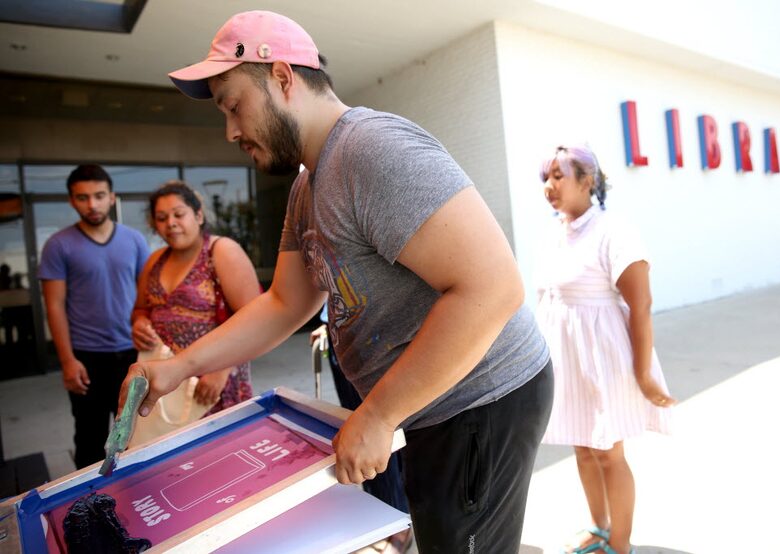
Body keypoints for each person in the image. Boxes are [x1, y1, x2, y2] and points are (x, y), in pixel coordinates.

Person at [121, 10, 552, 553]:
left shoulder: (373, 150)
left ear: (281, 77)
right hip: (431, 404)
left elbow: (493, 288)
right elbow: (283, 303)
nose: (231, 131)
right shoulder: (308, 187)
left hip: (480, 399)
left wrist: (378, 414)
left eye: (233, 106)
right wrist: (178, 367)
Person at [534, 145, 675, 554]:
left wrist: (644, 373)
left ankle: (620, 544)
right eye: (546, 177)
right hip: (568, 360)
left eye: (559, 176)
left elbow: (641, 303)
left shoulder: (614, 231)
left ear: (587, 180)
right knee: (582, 446)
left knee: (609, 452)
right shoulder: (556, 235)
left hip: (603, 358)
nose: (549, 186)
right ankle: (598, 528)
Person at [39, 164, 150, 469]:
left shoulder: (135, 240)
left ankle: (136, 500)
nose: (92, 204)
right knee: (89, 441)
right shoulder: (58, 245)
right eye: (83, 197)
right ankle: (88, 505)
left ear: (112, 197)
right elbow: (54, 306)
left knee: (135, 435)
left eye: (99, 196)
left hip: (132, 354)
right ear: (72, 201)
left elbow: (147, 298)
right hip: (85, 359)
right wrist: (66, 361)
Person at [131, 181, 260, 413]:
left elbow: (257, 321)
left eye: (179, 214)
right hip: (168, 385)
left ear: (199, 216)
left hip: (213, 382)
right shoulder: (155, 260)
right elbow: (140, 309)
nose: (170, 223)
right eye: (161, 218)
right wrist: (139, 323)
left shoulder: (221, 251)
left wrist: (221, 371)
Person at [311, 309, 411, 553]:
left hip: (375, 337)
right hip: (341, 331)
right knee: (357, 430)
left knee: (380, 441)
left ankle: (396, 522)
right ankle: (382, 518)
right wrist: (327, 321)